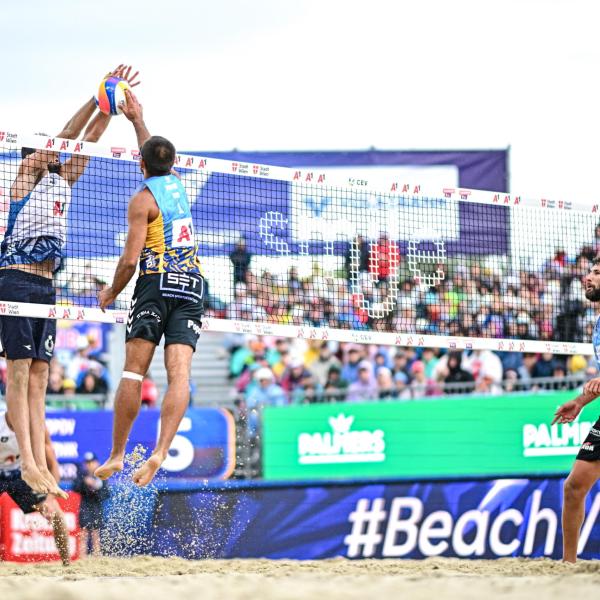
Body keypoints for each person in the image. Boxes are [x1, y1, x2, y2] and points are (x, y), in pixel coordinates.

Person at [0, 65, 140, 497]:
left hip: (46, 287)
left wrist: (112, 106)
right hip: (16, 281)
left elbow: (89, 141)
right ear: (34, 154)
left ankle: (40, 464)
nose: (57, 152)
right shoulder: (24, 176)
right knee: (21, 373)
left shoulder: (64, 179)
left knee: (42, 376)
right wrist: (92, 95)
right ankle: (26, 462)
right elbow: (65, 135)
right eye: (48, 149)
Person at [94, 90, 204, 487]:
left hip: (155, 283)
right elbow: (154, 154)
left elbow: (128, 261)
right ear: (170, 163)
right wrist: (138, 120)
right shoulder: (177, 182)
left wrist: (111, 292)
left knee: (133, 373)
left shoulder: (142, 200)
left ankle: (118, 454)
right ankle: (160, 452)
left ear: (141, 164)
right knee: (179, 376)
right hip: (192, 283)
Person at [552, 257, 600, 562]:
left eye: (596, 273)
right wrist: (580, 402)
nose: (587, 277)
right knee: (574, 487)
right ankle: (568, 566)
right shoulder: (597, 325)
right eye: (590, 272)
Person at [0, 409, 71, 565]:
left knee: (56, 514)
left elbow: (53, 467)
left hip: (21, 473)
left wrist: (50, 499)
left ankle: (67, 564)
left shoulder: (36, 427)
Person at [72, 451, 109, 557]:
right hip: (85, 505)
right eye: (87, 463)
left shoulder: (102, 475)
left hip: (96, 506)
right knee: (83, 533)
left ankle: (97, 556)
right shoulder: (82, 475)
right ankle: (82, 557)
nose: (89, 465)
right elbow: (75, 488)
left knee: (95, 533)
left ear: (96, 463)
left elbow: (106, 494)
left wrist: (95, 488)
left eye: (92, 462)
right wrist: (85, 483)